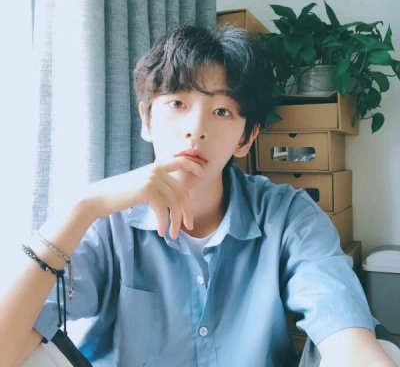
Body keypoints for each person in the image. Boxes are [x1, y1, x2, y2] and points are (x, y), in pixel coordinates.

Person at [0, 25, 396, 367]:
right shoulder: (107, 226)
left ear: (246, 138)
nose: (196, 128)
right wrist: (82, 206)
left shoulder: (287, 215)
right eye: (177, 103)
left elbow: (347, 338)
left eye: (222, 111)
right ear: (146, 119)